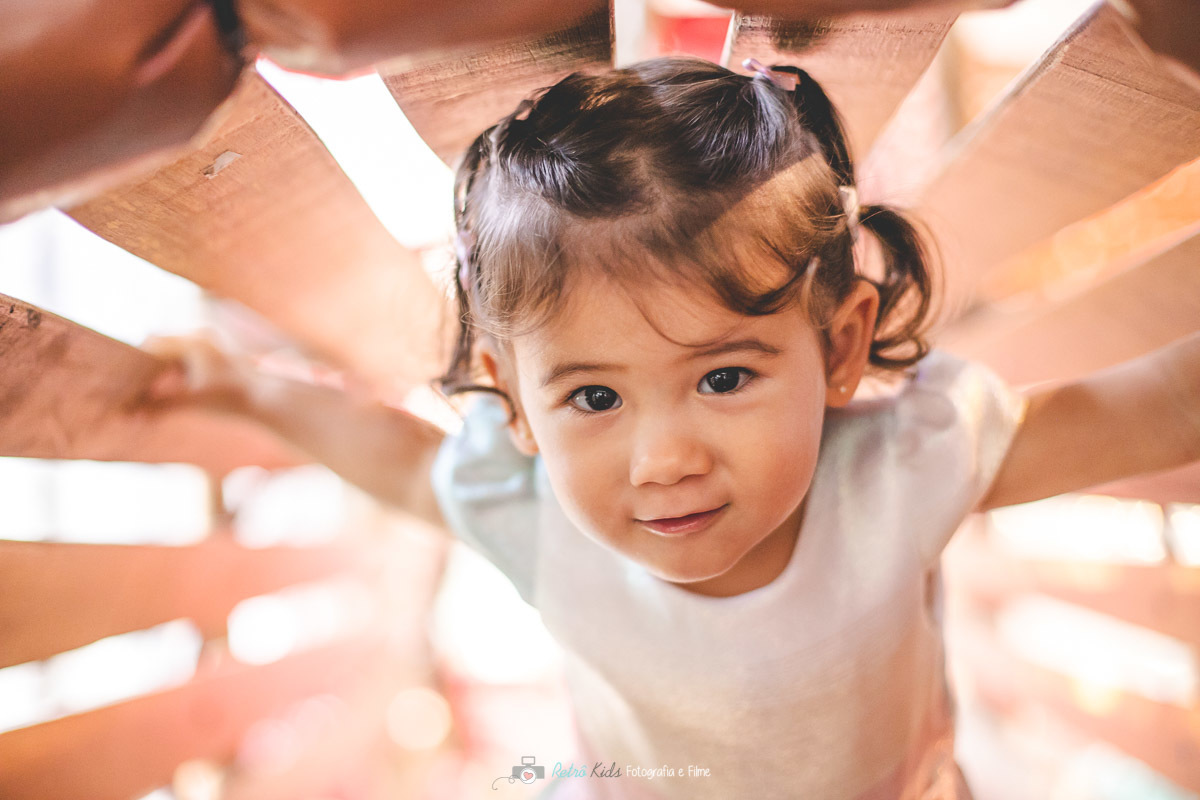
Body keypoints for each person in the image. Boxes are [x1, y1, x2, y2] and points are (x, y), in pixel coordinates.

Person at [144, 56, 1200, 800]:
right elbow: (400, 461)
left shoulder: (903, 467)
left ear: (839, 347)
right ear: (515, 401)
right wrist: (250, 392)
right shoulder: (528, 509)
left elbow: (1156, 410)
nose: (664, 460)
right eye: (594, 398)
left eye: (725, 376)